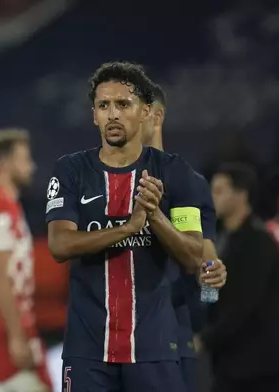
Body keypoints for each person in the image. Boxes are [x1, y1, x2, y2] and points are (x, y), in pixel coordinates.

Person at [46, 61, 205, 392]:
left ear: (146, 111)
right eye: (104, 105)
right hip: (87, 350)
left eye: (123, 104)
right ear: (93, 115)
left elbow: (193, 257)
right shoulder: (71, 171)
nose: (113, 114)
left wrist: (156, 217)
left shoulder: (175, 173)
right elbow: (59, 245)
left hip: (154, 348)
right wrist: (128, 227)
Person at [140, 83, 227, 391]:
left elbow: (208, 265)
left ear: (157, 117)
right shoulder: (111, 183)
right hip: (122, 343)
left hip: (176, 339)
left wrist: (202, 319)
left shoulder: (188, 183)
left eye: (138, 111)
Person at [0, 129, 52, 392]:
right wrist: (16, 335)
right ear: (5, 163)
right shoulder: (0, 206)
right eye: (24, 159)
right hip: (2, 323)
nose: (31, 166)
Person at [201, 163, 279, 391]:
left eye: (219, 191)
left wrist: (205, 339)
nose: (212, 197)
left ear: (240, 195)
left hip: (258, 366)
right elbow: (209, 289)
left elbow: (245, 302)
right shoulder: (216, 237)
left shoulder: (258, 242)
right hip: (226, 362)